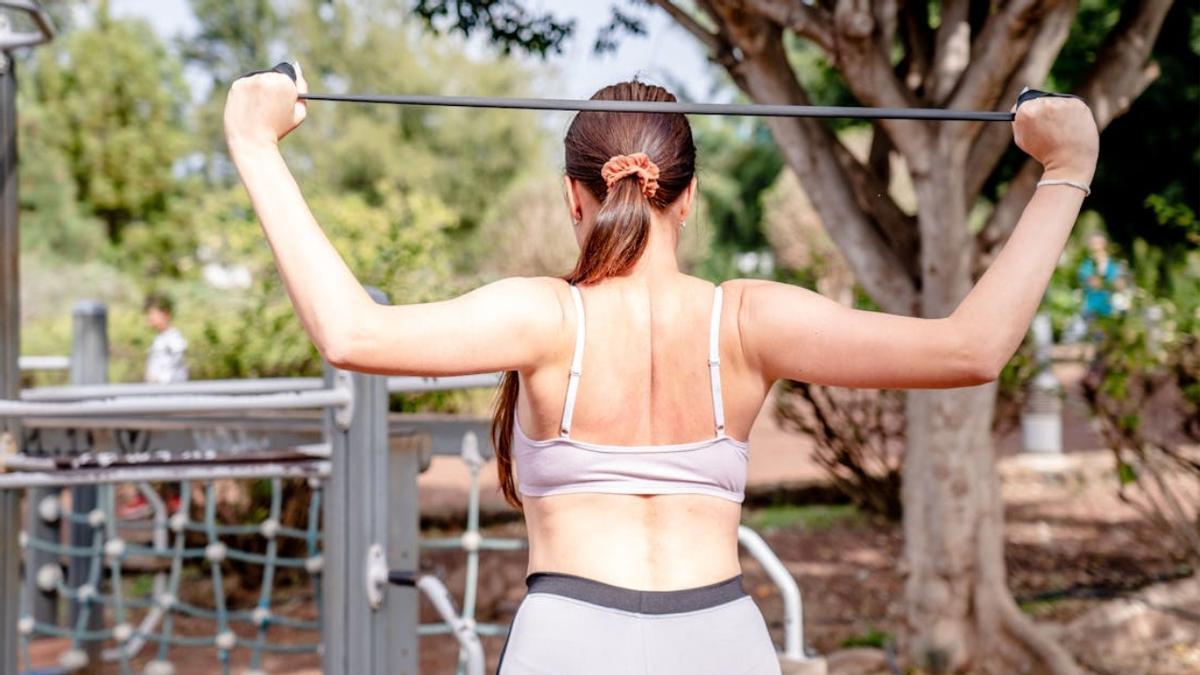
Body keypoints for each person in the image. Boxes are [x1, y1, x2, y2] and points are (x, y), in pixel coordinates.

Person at [223, 64, 1098, 673]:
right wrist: (1067, 166)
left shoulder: (543, 315)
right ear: (689, 196)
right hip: (720, 641)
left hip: (566, 642)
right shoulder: (750, 318)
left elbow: (349, 332)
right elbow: (972, 348)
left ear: (574, 196)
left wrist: (256, 142)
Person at [118, 293, 188, 519]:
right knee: (149, 449)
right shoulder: (161, 340)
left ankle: (164, 497)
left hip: (168, 405)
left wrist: (158, 383)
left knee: (168, 451)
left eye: (153, 314)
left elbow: (173, 373)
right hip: (157, 404)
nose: (150, 319)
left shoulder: (174, 340)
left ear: (165, 314)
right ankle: (150, 496)